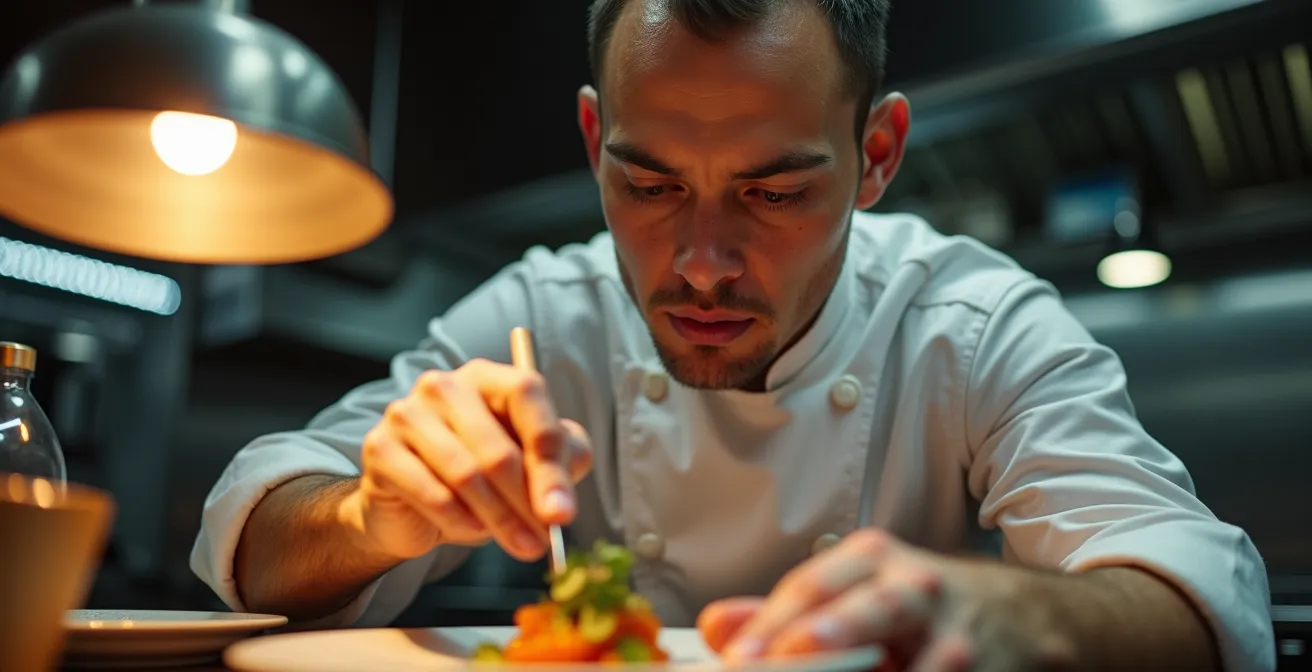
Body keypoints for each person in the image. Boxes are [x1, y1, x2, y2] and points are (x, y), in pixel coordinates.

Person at [191, 0, 1274, 669]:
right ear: (592, 141)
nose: (702, 262)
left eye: (774, 193)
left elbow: (1195, 593)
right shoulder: (541, 315)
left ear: (877, 155)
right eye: (650, 184)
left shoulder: (972, 324)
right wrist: (368, 514)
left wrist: (1015, 616)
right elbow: (260, 529)